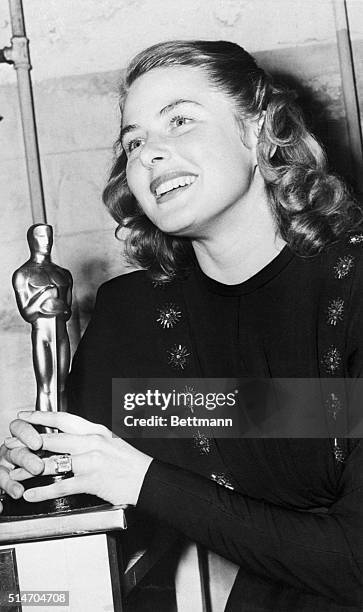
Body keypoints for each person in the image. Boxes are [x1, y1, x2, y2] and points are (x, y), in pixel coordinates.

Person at [1, 40, 363, 611]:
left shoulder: (352, 287)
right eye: (135, 141)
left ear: (261, 131)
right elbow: (87, 519)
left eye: (181, 120)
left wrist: (141, 479)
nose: (148, 155)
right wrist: (31, 478)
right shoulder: (129, 313)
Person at [12, 224, 72, 413]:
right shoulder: (23, 274)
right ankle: (47, 436)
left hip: (62, 335)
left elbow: (67, 312)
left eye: (49, 237)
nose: (46, 242)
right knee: (45, 387)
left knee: (62, 385)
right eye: (41, 237)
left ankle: (62, 431)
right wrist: (45, 295)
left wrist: (57, 305)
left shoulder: (64, 274)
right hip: (41, 334)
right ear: (31, 240)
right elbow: (28, 313)